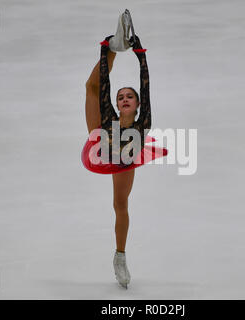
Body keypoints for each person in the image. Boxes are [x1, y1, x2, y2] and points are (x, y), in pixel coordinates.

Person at [84, 10, 151, 289]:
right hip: (102, 142)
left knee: (119, 205)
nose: (124, 98)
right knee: (91, 87)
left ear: (137, 105)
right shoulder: (109, 117)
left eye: (129, 97)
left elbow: (146, 86)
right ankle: (115, 44)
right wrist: (105, 50)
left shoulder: (143, 122)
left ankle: (119, 257)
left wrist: (141, 54)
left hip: (123, 158)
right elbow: (103, 86)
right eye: (121, 97)